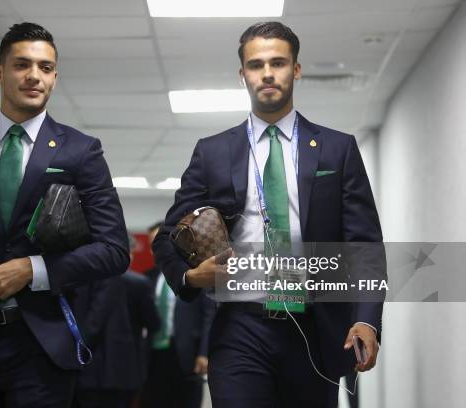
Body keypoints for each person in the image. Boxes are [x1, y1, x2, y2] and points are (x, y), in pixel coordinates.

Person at [152, 22, 384, 407]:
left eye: (278, 62)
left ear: (295, 69)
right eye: (256, 64)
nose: (267, 73)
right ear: (242, 73)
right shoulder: (213, 152)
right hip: (240, 325)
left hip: (315, 324)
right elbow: (167, 236)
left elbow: (365, 244)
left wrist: (367, 319)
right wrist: (191, 276)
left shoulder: (336, 150)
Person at [0, 22, 129, 407]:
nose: (35, 76)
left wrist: (33, 269)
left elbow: (114, 250)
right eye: (22, 65)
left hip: (43, 345)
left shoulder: (81, 152)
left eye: (46, 68)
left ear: (55, 77)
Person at [74, 234, 160, 408]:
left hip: (87, 367)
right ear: (128, 253)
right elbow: (154, 323)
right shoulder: (139, 283)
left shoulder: (81, 279)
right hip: (124, 368)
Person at [142, 223, 215, 408]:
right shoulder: (147, 278)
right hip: (154, 354)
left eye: (160, 244)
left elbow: (208, 316)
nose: (156, 250)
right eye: (153, 245)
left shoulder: (196, 274)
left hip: (187, 354)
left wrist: (204, 353)